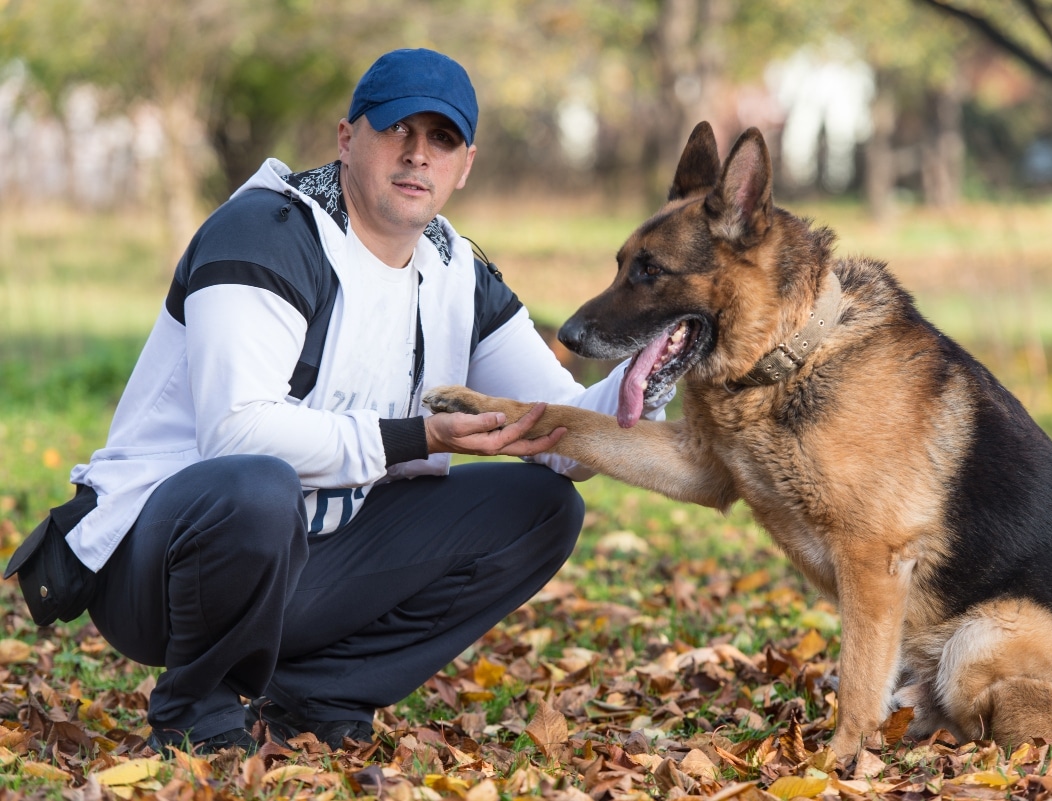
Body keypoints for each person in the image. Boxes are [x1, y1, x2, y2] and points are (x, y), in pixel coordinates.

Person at [16, 48, 672, 753]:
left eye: (442, 139)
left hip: (308, 560)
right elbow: (236, 433)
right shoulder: (266, 232)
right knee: (258, 484)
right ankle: (196, 712)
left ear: (465, 165)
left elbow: (567, 442)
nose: (418, 154)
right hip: (158, 565)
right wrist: (419, 436)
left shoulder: (457, 270)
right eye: (397, 129)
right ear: (346, 138)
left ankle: (319, 695)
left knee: (543, 506)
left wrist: (654, 365)